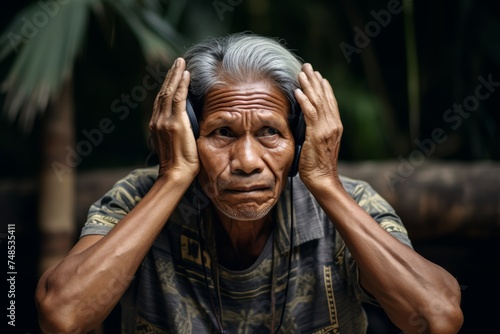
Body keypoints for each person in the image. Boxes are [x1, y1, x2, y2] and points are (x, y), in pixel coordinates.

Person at [35, 32, 463, 334]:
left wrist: (326, 184)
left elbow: (437, 316)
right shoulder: (137, 198)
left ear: (301, 138)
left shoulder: (350, 203)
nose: (246, 161)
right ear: (184, 133)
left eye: (270, 133)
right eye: (222, 132)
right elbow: (62, 314)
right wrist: (172, 179)